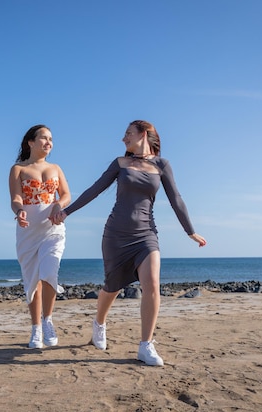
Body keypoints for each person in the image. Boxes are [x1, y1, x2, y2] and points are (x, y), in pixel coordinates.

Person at [52, 120, 206, 366]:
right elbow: (95, 189)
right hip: (115, 235)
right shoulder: (120, 163)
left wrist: (190, 231)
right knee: (112, 287)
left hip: (146, 234)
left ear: (143, 134)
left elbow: (176, 198)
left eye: (128, 134)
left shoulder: (162, 165)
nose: (123, 139)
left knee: (152, 285)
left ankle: (146, 345)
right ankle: (99, 324)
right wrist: (67, 212)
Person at [9, 124, 71, 348]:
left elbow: (66, 195)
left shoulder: (56, 168)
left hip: (53, 228)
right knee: (32, 279)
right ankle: (36, 329)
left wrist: (58, 205)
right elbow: (16, 199)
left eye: (51, 139)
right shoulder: (18, 169)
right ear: (31, 142)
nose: (48, 143)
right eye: (44, 138)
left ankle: (48, 321)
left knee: (49, 273)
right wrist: (20, 211)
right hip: (28, 230)